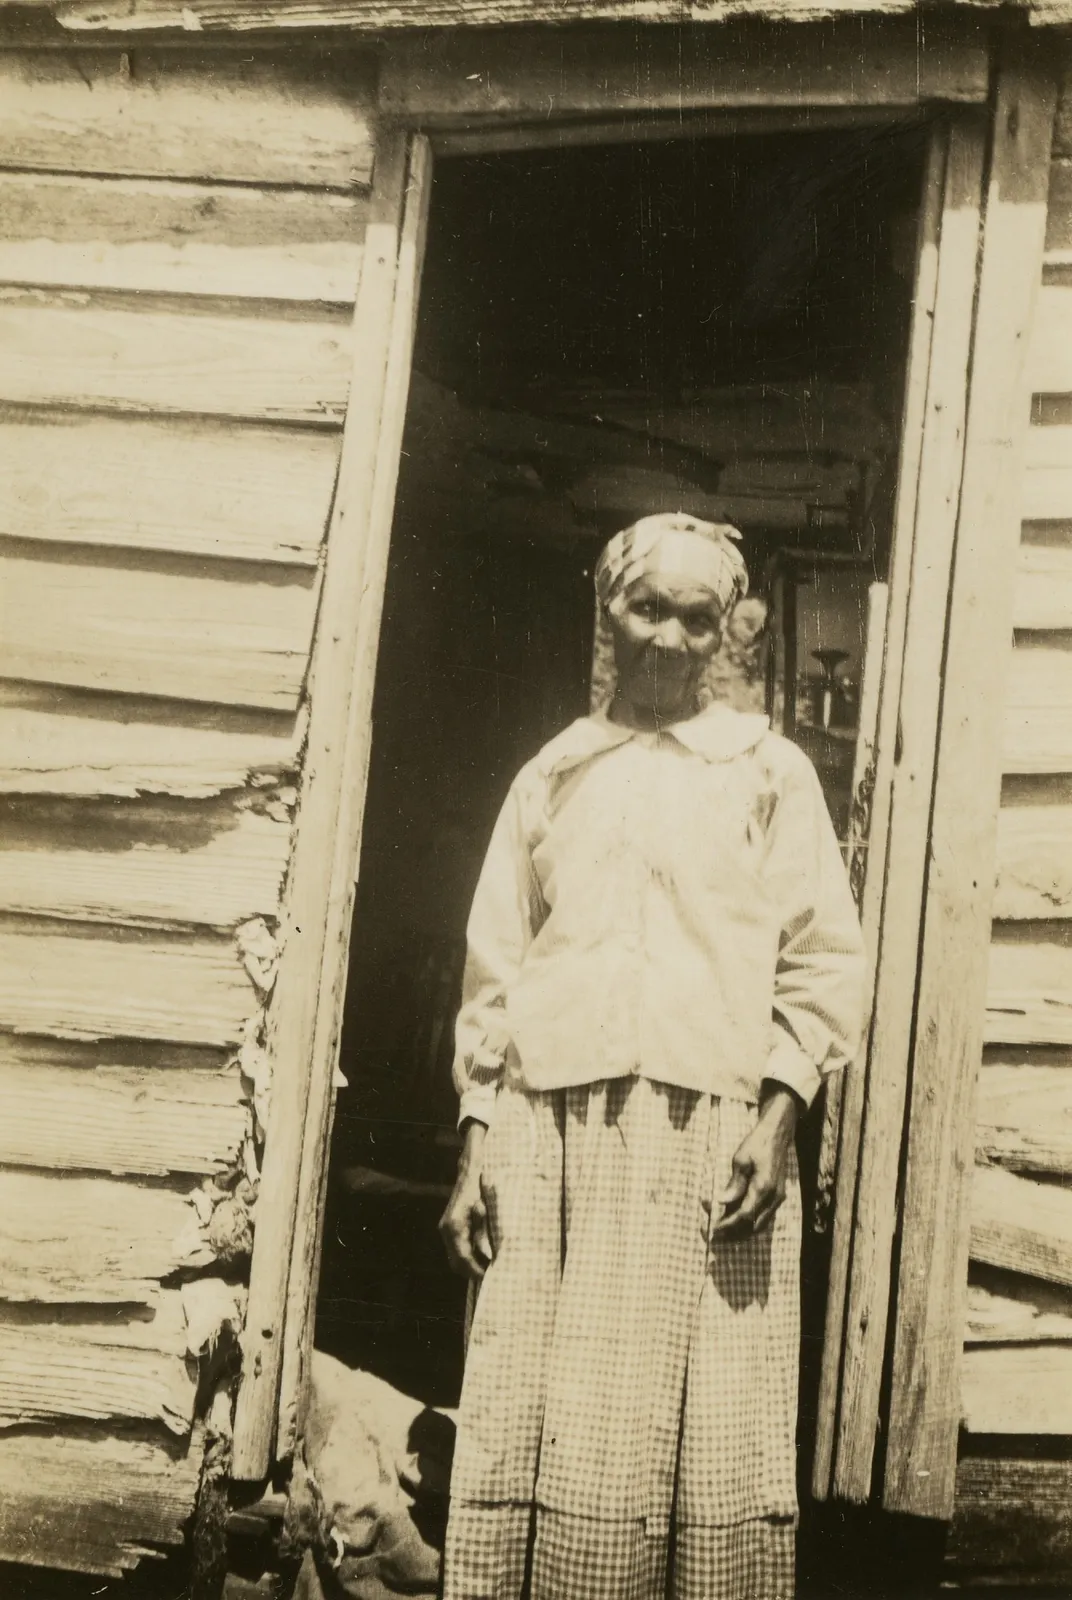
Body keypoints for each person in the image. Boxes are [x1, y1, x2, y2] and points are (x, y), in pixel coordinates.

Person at [438, 513, 867, 1600]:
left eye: (696, 616)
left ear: (729, 631)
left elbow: (821, 960)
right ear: (608, 612)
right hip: (555, 1139)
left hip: (710, 1145)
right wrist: (476, 1141)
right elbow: (496, 968)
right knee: (556, 1411)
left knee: (703, 1428)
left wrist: (777, 1119)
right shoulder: (555, 775)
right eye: (646, 608)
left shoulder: (767, 774)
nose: (668, 639)